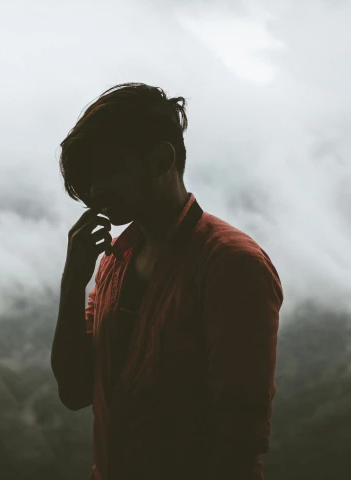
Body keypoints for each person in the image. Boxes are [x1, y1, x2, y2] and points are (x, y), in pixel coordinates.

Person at [50, 82, 283, 480]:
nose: (94, 192)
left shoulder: (230, 265)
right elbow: (74, 390)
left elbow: (239, 441)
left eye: (108, 172)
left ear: (161, 160)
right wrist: (73, 283)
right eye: (89, 179)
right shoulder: (113, 262)